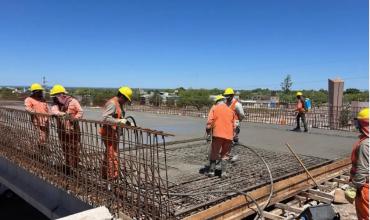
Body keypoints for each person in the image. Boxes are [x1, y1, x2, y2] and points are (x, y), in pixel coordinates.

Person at [50, 84, 83, 175]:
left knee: (75, 147)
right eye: (54, 97)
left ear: (62, 94)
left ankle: (75, 165)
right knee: (65, 147)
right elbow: (54, 111)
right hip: (62, 130)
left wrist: (74, 118)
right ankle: (69, 166)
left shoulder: (73, 101)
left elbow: (80, 111)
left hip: (73, 130)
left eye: (56, 96)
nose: (55, 98)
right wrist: (62, 114)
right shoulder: (55, 103)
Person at [100, 86, 133, 180]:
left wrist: (126, 122)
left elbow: (118, 117)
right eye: (126, 99)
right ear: (122, 96)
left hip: (113, 133)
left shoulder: (119, 104)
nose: (126, 101)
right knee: (112, 155)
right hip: (108, 133)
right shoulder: (112, 104)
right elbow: (105, 118)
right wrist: (120, 121)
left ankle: (105, 174)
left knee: (110, 154)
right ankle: (112, 176)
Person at [206, 95, 235, 178]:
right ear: (224, 101)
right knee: (225, 154)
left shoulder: (214, 108)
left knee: (214, 152)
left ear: (216, 102)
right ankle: (223, 173)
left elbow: (209, 123)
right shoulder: (230, 111)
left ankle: (211, 172)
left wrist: (208, 134)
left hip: (217, 135)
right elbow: (234, 125)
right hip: (229, 136)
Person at [350, 108, 369, 220]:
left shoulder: (365, 145)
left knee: (365, 216)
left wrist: (353, 187)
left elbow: (363, 169)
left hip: (365, 188)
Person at [24, 83, 50, 161]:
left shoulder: (43, 99)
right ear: (34, 92)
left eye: (41, 91)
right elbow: (27, 108)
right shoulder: (29, 99)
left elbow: (47, 109)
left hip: (45, 121)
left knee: (46, 136)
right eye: (39, 91)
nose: (41, 93)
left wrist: (50, 115)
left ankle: (42, 148)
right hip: (37, 121)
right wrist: (34, 112)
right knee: (41, 136)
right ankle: (40, 150)